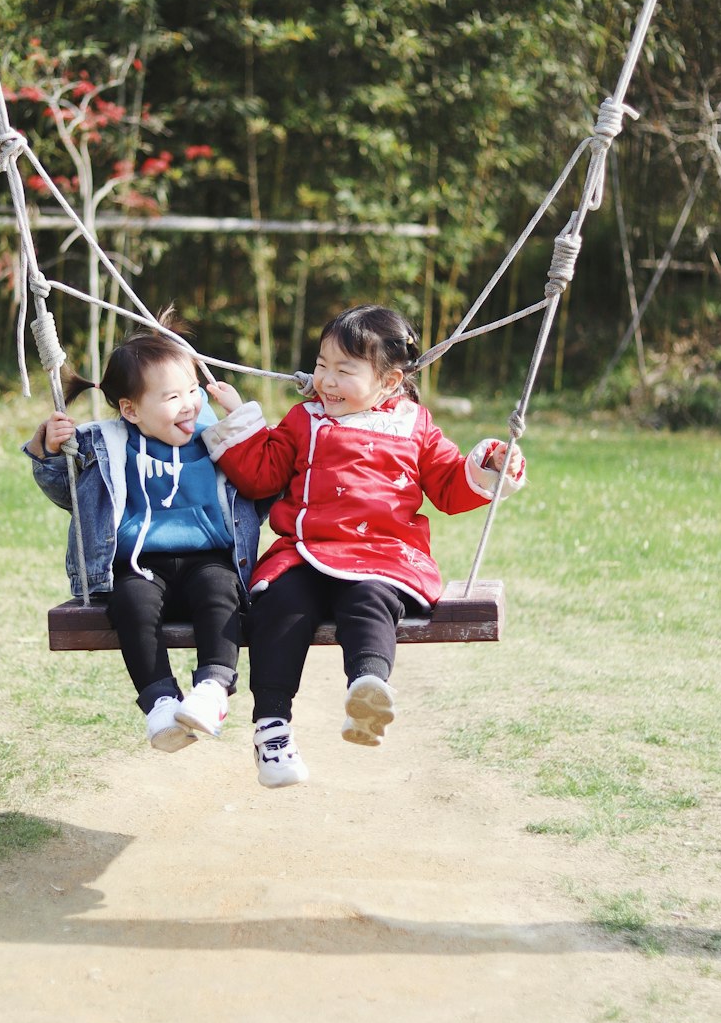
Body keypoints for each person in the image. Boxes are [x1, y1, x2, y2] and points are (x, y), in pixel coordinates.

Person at [203, 304, 526, 788]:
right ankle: (272, 728)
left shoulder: (414, 424)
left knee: (370, 599)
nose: (327, 381)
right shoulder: (304, 419)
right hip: (307, 550)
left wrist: (489, 466)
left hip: (383, 554)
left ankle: (367, 688)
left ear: (391, 381)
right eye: (321, 365)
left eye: (344, 370)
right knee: (279, 605)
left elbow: (448, 484)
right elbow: (261, 474)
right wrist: (240, 420)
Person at [24, 324, 261, 754]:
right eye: (173, 398)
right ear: (132, 410)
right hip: (139, 565)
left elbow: (262, 482)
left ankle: (212, 690)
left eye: (193, 390)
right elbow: (72, 496)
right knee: (131, 604)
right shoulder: (108, 443)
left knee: (220, 590)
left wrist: (241, 423)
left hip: (207, 559)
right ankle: (160, 704)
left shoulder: (217, 437)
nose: (190, 405)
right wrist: (50, 454)